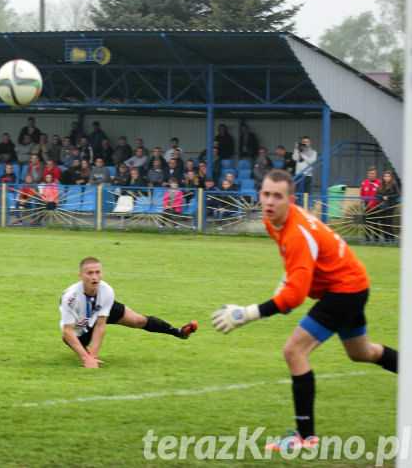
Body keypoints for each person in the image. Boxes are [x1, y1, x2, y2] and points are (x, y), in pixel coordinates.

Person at [211, 169, 397, 452]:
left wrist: (246, 313)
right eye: (266, 194)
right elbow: (297, 268)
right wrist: (284, 285)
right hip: (352, 284)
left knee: (294, 351)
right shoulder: (273, 220)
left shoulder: (297, 231)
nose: (270, 201)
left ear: (291, 200)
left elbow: (295, 296)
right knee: (362, 353)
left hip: (344, 290)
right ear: (259, 194)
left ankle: (305, 436)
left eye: (278, 196)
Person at [61, 257, 197, 368]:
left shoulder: (106, 290)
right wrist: (86, 359)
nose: (95, 277)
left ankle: (177, 332)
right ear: (81, 276)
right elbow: (68, 331)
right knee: (69, 339)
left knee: (137, 320)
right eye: (90, 273)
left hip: (98, 310)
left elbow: (101, 324)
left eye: (98, 272)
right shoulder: (70, 297)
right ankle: (85, 351)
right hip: (81, 326)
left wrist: (94, 357)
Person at [375, 170, 400, 242]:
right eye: (385, 176)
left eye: (388, 176)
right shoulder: (381, 184)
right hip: (382, 206)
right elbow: (377, 194)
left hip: (390, 207)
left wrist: (388, 197)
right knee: (383, 224)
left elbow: (397, 194)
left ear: (391, 177)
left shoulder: (394, 184)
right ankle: (386, 241)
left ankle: (392, 240)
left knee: (389, 224)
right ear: (383, 177)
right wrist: (382, 197)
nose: (387, 177)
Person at [360, 166, 381, 241]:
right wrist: (362, 205)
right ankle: (367, 240)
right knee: (366, 224)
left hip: (376, 207)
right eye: (370, 173)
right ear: (368, 174)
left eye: (373, 173)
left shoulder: (379, 182)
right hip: (366, 207)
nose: (372, 175)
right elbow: (361, 194)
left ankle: (376, 240)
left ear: (376, 174)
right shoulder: (364, 182)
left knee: (375, 224)